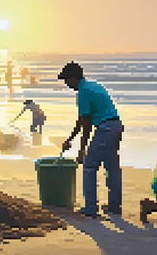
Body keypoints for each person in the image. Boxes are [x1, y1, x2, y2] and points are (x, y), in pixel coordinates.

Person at [60, 61, 124, 218]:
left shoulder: (83, 92)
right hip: (116, 125)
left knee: (89, 167)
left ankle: (90, 208)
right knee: (112, 167)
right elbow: (82, 119)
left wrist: (82, 150)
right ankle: (114, 206)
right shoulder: (93, 85)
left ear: (74, 78)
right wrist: (70, 138)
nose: (66, 84)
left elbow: (87, 124)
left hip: (106, 128)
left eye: (67, 80)